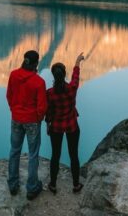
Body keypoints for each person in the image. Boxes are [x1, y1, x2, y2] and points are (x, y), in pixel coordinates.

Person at [6, 50, 47, 200]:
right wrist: (38, 119)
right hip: (32, 122)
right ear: (36, 63)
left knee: (14, 151)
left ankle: (13, 184)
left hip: (16, 118)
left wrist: (14, 110)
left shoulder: (13, 75)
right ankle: (31, 188)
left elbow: (9, 96)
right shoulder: (39, 82)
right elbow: (42, 107)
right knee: (33, 154)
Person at [45, 52, 87, 194]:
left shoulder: (50, 93)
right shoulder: (72, 89)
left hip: (56, 127)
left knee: (55, 156)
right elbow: (75, 77)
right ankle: (76, 185)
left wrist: (48, 123)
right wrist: (77, 61)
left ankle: (53, 184)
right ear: (64, 74)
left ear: (53, 76)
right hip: (72, 126)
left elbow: (49, 112)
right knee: (73, 155)